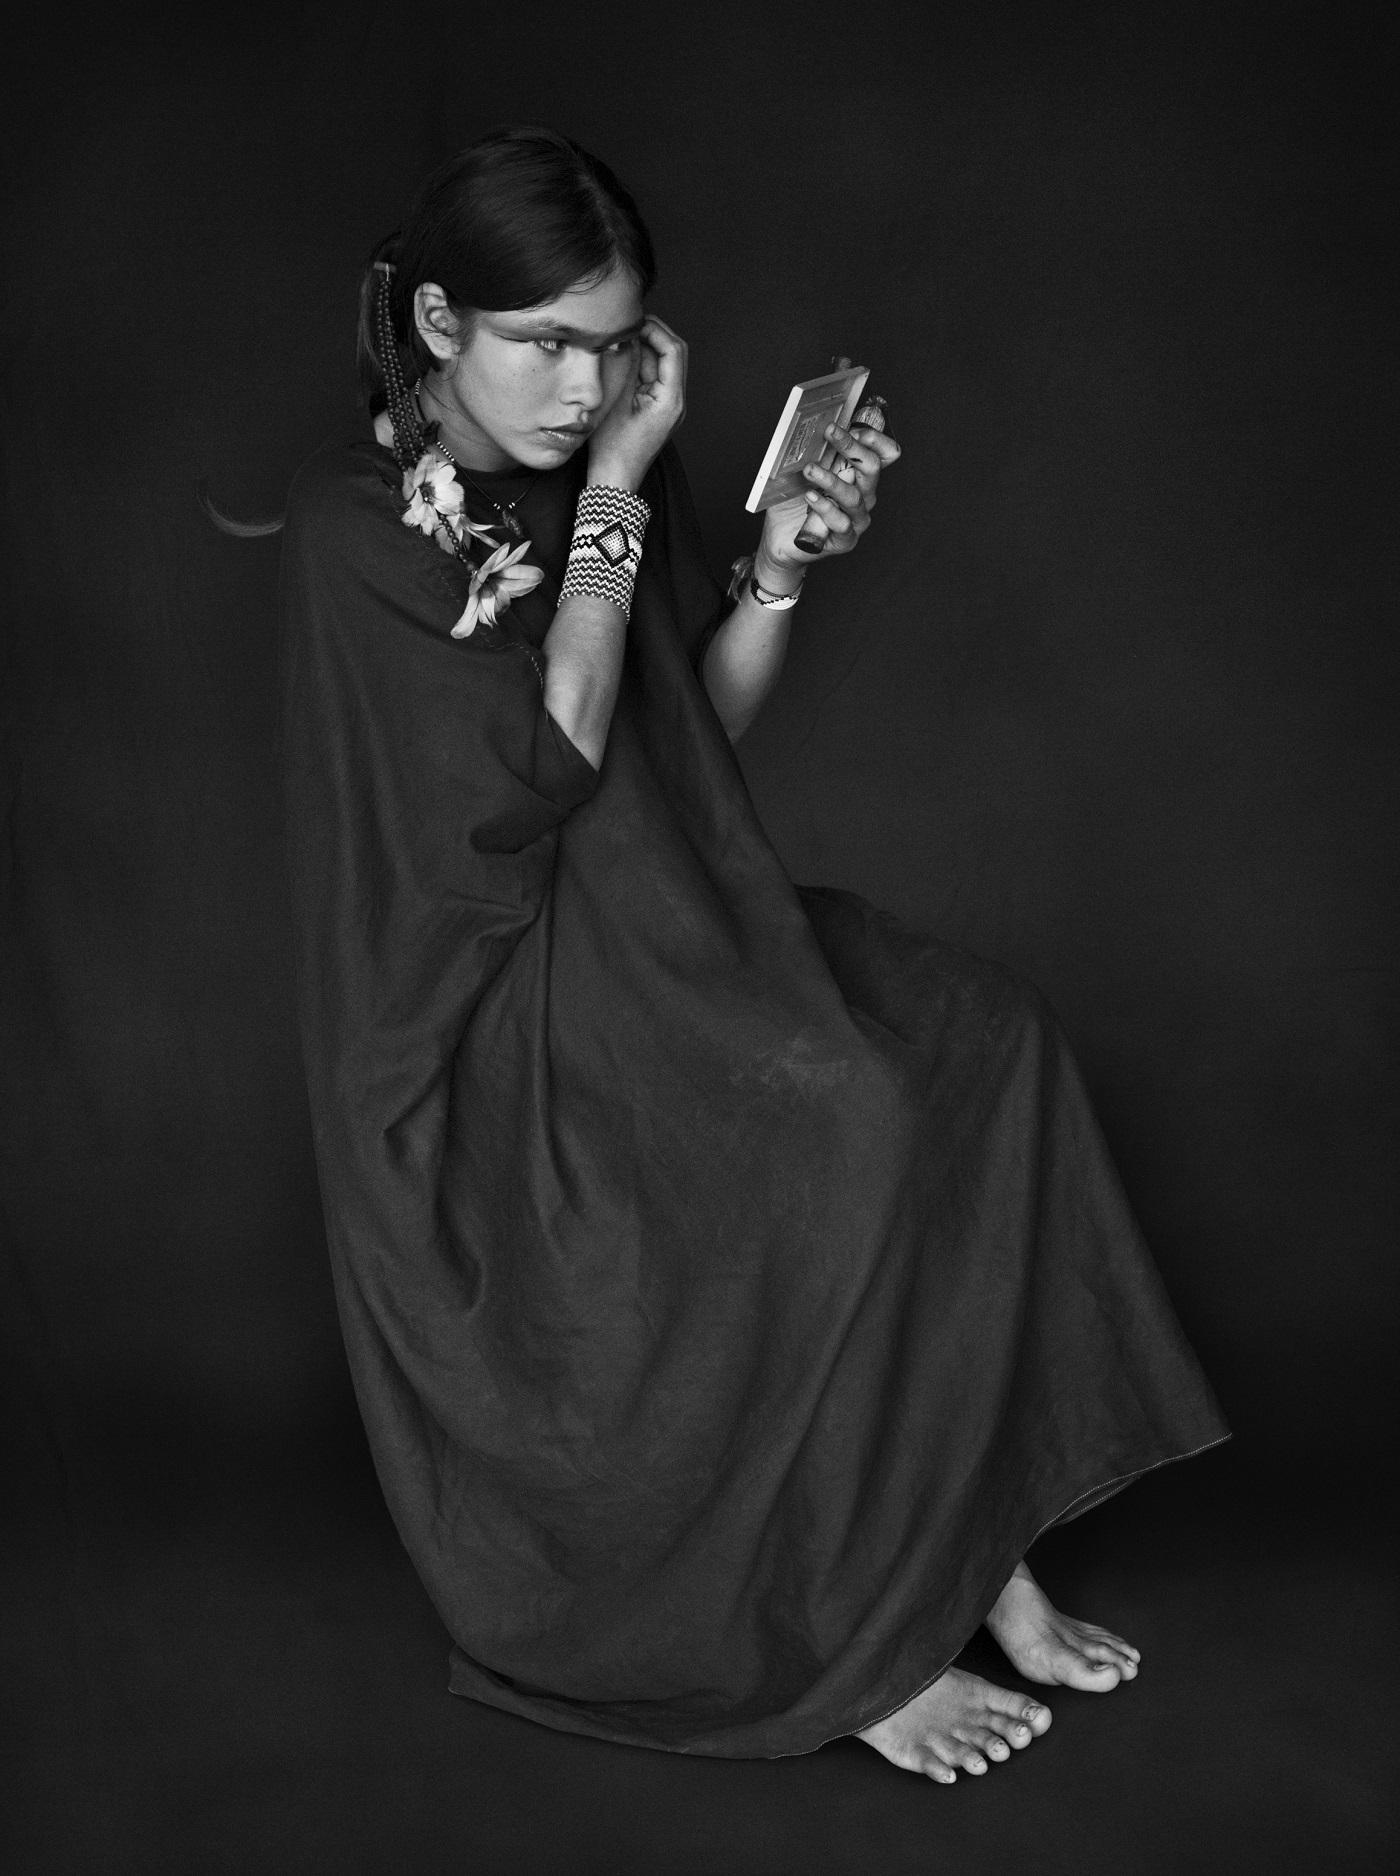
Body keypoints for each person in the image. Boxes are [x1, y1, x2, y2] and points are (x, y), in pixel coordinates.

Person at [278, 125, 1229, 1782]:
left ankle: (964, 1540)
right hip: (497, 1008)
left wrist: (779, 562)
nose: (585, 390)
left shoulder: (582, 483)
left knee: (984, 1040)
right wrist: (627, 489)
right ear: (440, 324)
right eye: (545, 347)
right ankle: (864, 1635)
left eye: (612, 346)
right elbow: (556, 752)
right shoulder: (355, 530)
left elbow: (680, 745)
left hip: (666, 919)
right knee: (837, 1120)